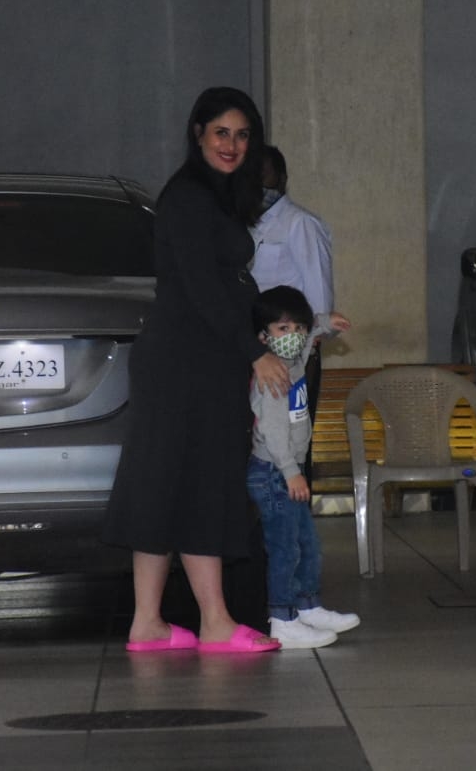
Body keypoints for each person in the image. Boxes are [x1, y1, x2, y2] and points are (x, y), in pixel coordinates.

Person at [102, 86, 290, 654]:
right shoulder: (188, 198)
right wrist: (254, 352)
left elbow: (219, 289)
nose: (232, 145)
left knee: (173, 484)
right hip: (187, 362)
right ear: (198, 135)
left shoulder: (214, 197)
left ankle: (151, 623)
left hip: (195, 358)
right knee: (193, 482)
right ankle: (213, 622)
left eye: (242, 135)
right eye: (220, 133)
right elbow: (205, 289)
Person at [247, 285, 361, 649]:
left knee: (306, 544)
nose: (293, 336)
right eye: (283, 329)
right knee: (284, 548)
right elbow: (273, 430)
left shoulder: (293, 362)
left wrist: (325, 323)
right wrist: (291, 470)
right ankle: (282, 617)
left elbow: (309, 329)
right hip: (274, 473)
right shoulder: (272, 377)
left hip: (288, 472)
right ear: (263, 336)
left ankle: (307, 605)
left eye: (297, 328)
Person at [250, 146, 334, 482]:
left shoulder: (300, 224)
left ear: (282, 179)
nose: (258, 184)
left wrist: (309, 348)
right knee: (262, 439)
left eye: (264, 175)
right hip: (258, 350)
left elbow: (319, 293)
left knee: (294, 439)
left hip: (294, 355)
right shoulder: (247, 224)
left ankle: (294, 515)